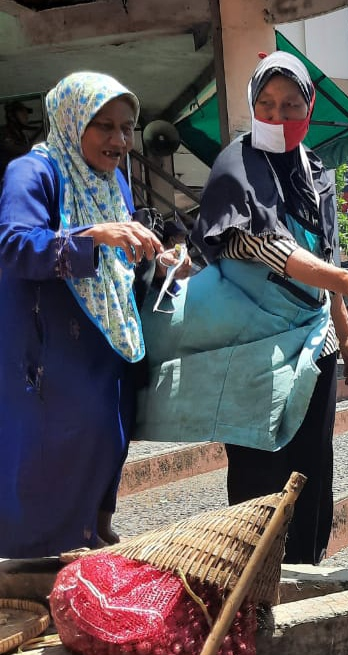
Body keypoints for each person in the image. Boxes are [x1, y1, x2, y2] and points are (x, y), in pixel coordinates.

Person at [140, 51, 348, 565]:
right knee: (260, 468)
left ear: (309, 106)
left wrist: (346, 332)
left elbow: (325, 256)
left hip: (312, 342)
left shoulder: (315, 173)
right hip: (252, 346)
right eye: (267, 105)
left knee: (312, 466)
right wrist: (340, 278)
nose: (278, 118)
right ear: (253, 104)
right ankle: (257, 586)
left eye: (291, 106)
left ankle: (306, 572)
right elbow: (259, 245)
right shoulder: (236, 164)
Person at [0, 72, 184, 558]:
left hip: (105, 338)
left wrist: (158, 256)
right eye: (104, 126)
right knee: (57, 443)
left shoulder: (113, 182)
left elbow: (118, 254)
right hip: (49, 347)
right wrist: (93, 235)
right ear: (70, 120)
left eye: (127, 129)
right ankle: (38, 561)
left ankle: (93, 536)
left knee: (109, 432)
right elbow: (14, 246)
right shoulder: (33, 173)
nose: (120, 141)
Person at [0, 100, 41, 180]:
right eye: (21, 112)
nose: (26, 115)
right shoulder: (4, 133)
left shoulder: (20, 134)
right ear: (12, 116)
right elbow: (19, 149)